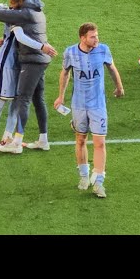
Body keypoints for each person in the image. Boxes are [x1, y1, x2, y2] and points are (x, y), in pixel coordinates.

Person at [54, 23, 124, 199]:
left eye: (97, 35)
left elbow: (112, 68)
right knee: (80, 139)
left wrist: (119, 87)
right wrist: (60, 97)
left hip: (98, 105)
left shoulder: (103, 50)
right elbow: (65, 73)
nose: (97, 39)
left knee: (100, 143)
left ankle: (99, 181)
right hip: (78, 104)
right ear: (83, 38)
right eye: (93, 36)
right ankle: (84, 176)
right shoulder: (70, 52)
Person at [0, 0, 57, 149]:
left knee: (21, 99)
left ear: (20, 1)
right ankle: (41, 139)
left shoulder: (23, 13)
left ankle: (14, 141)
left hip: (27, 61)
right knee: (34, 99)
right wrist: (4, 38)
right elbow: (15, 35)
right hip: (31, 60)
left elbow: (18, 34)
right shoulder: (37, 11)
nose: (11, 6)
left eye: (12, 2)